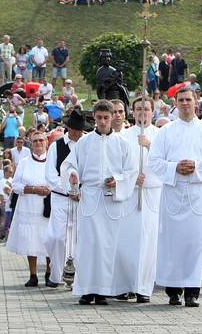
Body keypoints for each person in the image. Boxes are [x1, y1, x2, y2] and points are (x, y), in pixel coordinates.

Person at [147, 87, 202, 307]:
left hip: (197, 194)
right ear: (176, 103)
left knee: (195, 242)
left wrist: (196, 167)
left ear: (196, 102)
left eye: (189, 99)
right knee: (172, 243)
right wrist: (174, 168)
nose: (185, 103)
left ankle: (192, 290)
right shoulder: (166, 131)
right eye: (181, 100)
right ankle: (173, 290)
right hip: (173, 192)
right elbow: (154, 161)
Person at [63, 100, 136, 304]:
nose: (103, 121)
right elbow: (70, 164)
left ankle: (103, 290)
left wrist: (118, 181)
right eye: (99, 117)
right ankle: (87, 290)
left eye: (106, 117)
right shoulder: (84, 143)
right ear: (93, 118)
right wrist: (73, 176)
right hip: (90, 198)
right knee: (88, 244)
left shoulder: (123, 144)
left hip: (111, 199)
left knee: (107, 245)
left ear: (113, 117)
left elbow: (131, 171)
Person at [117, 98, 162, 302]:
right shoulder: (123, 136)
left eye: (146, 109)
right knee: (127, 240)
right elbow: (116, 166)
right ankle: (125, 284)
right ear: (132, 112)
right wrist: (131, 178)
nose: (142, 113)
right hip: (130, 193)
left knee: (148, 241)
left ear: (152, 112)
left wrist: (150, 146)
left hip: (152, 193)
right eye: (138, 109)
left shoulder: (161, 136)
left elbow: (167, 162)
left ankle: (144, 287)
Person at [42, 109, 86, 288]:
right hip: (60, 197)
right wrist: (69, 190)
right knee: (56, 237)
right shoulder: (56, 146)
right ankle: (55, 272)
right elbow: (51, 175)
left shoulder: (86, 144)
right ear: (68, 128)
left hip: (82, 198)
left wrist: (80, 191)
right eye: (74, 130)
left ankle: (75, 276)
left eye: (80, 130)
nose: (77, 133)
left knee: (78, 237)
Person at [6, 132, 51, 287]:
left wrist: (48, 189)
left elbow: (58, 181)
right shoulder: (24, 162)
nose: (38, 143)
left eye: (41, 140)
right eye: (35, 141)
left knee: (48, 239)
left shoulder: (53, 161)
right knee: (30, 239)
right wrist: (33, 189)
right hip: (29, 205)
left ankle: (49, 273)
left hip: (47, 206)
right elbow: (15, 185)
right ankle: (33, 275)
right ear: (31, 144)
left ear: (46, 142)